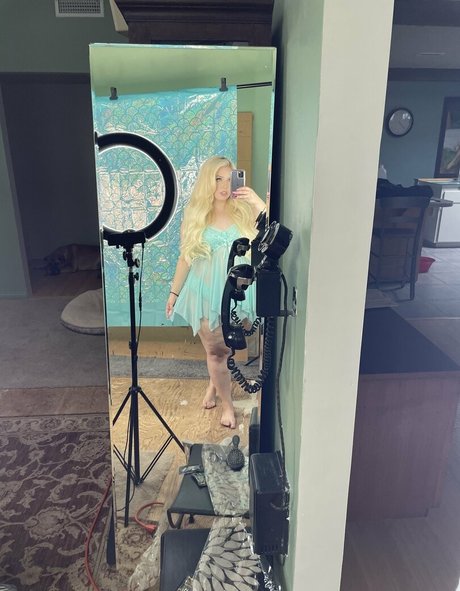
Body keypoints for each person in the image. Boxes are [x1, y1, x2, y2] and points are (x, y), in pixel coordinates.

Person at [166, 156, 266, 428]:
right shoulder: (195, 215)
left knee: (228, 346)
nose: (223, 186)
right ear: (207, 182)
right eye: (217, 179)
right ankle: (228, 406)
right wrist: (174, 293)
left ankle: (214, 383)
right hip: (205, 292)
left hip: (240, 293)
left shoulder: (244, 210)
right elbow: (185, 258)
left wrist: (257, 202)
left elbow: (271, 234)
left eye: (229, 179)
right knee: (216, 352)